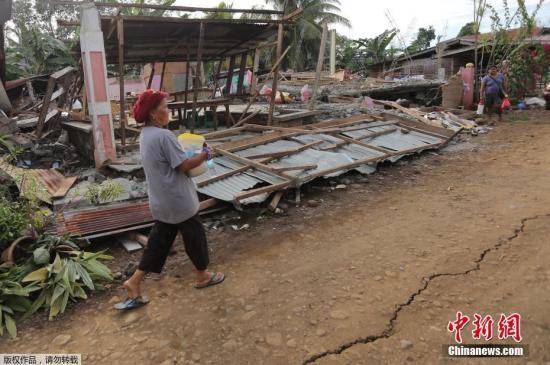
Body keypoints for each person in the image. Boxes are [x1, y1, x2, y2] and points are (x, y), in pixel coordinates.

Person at [115, 90, 225, 310]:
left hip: (161, 200)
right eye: (165, 107)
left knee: (158, 243)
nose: (169, 110)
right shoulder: (165, 136)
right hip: (178, 200)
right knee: (195, 237)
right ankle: (203, 275)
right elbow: (183, 166)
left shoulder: (146, 134)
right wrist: (204, 155)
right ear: (155, 114)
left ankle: (134, 282)